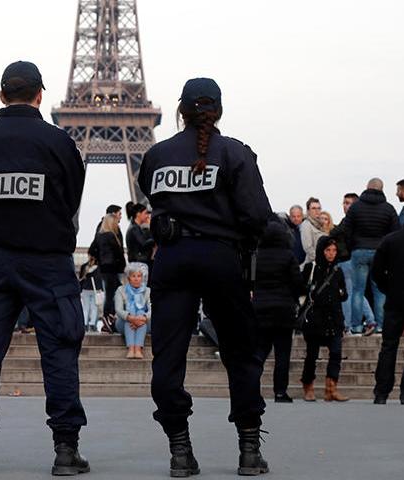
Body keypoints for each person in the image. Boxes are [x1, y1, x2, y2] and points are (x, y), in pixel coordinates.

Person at [0, 61, 89, 476]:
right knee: (60, 353)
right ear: (40, 95)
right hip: (47, 260)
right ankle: (66, 451)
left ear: (1, 96)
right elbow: (71, 200)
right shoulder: (59, 142)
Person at [138, 78, 272, 476]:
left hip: (173, 258)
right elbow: (257, 216)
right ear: (219, 111)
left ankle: (180, 449)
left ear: (181, 111)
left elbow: (150, 193)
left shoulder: (158, 155)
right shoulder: (235, 154)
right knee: (241, 352)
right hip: (220, 257)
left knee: (168, 355)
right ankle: (249, 448)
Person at [371, 201, 404, 405]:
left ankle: (381, 392)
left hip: (394, 299)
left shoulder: (390, 240)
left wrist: (388, 288)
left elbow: (376, 271)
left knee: (389, 345)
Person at [336, 178, 399, 334]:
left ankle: (356, 326)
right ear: (382, 189)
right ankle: (380, 325)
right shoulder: (388, 208)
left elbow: (346, 230)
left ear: (367, 187)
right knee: (379, 290)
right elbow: (395, 233)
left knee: (358, 290)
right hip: (380, 252)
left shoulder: (356, 208)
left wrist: (353, 246)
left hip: (359, 251)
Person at [253, 220, 304, 403]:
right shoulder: (288, 256)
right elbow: (298, 284)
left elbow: (248, 281)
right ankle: (280, 392)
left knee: (259, 351)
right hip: (283, 310)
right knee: (283, 354)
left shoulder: (257, 256)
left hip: (260, 309)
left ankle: (251, 387)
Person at [299, 237, 349, 402]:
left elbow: (344, 294)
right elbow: (300, 289)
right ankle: (308, 386)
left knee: (336, 353)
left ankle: (331, 387)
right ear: (322, 250)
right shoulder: (311, 268)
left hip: (334, 318)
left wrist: (339, 293)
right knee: (312, 355)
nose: (331, 254)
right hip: (315, 319)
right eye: (328, 250)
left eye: (334, 250)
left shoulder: (337, 271)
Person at [331, 193, 375, 332]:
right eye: (344, 203)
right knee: (356, 292)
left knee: (351, 293)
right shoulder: (358, 221)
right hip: (351, 259)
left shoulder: (350, 221)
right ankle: (368, 321)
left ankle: (354, 323)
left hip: (347, 260)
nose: (345, 206)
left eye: (348, 203)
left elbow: (336, 231)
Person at [114, 264, 151, 359]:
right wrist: (131, 318)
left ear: (142, 278)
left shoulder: (148, 291)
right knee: (130, 314)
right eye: (133, 276)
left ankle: (138, 349)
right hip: (123, 323)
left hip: (144, 322)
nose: (136, 279)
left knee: (140, 312)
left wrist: (143, 317)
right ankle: (131, 349)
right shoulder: (120, 290)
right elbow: (118, 310)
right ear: (129, 278)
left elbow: (153, 310)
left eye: (139, 276)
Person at [95, 213, 126, 329]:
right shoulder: (111, 236)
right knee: (113, 293)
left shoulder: (99, 236)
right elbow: (118, 252)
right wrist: (123, 266)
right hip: (112, 267)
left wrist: (100, 260)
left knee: (110, 293)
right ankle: (109, 317)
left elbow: (93, 250)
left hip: (104, 268)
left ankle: (107, 318)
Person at [126, 203, 155, 270]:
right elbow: (144, 243)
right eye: (145, 213)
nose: (147, 216)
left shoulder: (136, 227)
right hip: (140, 263)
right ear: (138, 214)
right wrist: (155, 238)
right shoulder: (134, 228)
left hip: (140, 262)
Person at [78, 257, 102, 332]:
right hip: (95, 290)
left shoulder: (84, 267)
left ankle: (84, 324)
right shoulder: (98, 268)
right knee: (94, 308)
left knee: (85, 308)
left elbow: (80, 279)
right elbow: (99, 280)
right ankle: (92, 324)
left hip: (85, 289)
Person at [300, 197, 325, 266]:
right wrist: (320, 259)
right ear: (308, 211)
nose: (317, 210)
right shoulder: (306, 224)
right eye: (313, 208)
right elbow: (308, 248)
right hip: (313, 264)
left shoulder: (322, 225)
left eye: (319, 208)